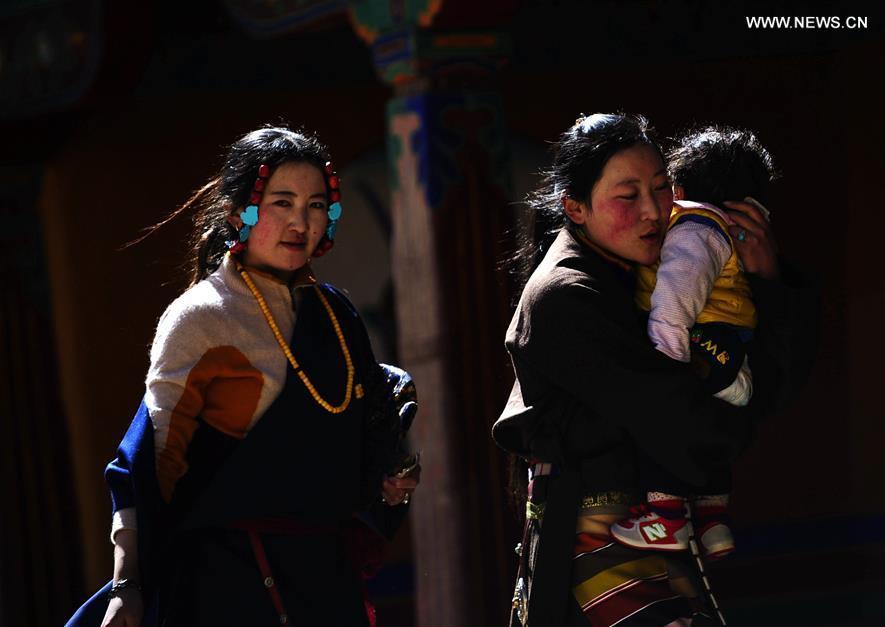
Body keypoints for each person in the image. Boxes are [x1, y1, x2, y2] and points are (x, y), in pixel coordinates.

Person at [66, 126, 420, 627]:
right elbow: (146, 467)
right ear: (239, 213)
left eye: (316, 204)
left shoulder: (337, 315)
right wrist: (128, 582)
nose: (301, 221)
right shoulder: (201, 318)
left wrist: (389, 474)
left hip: (325, 582)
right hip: (227, 585)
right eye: (282, 202)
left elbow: (356, 449)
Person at [493, 113, 817, 626]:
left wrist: (766, 280)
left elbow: (768, 390)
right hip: (598, 544)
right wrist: (734, 408)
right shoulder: (565, 297)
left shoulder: (656, 273)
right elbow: (684, 423)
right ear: (574, 207)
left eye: (663, 188)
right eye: (628, 196)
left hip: (656, 537)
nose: (653, 211)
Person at [610, 126, 779, 559]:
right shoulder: (732, 235)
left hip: (701, 344)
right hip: (731, 351)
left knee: (664, 421)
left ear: (680, 189)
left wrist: (662, 360)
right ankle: (712, 519)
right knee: (709, 428)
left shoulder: (694, 228)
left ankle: (666, 519)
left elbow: (676, 296)